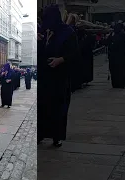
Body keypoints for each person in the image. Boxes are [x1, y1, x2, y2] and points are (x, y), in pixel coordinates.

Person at [38, 5, 79, 147]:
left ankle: (57, 136)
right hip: (45, 76)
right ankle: (41, 134)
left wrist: (60, 60)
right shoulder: (44, 31)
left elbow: (74, 53)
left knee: (58, 107)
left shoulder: (67, 32)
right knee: (43, 106)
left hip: (60, 77)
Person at [106, 23, 125, 88]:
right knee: (113, 70)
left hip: (120, 55)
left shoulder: (122, 34)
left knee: (120, 70)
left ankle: (120, 83)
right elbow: (107, 42)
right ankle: (115, 83)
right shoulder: (113, 34)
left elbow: (116, 43)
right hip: (113, 55)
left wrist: (112, 38)